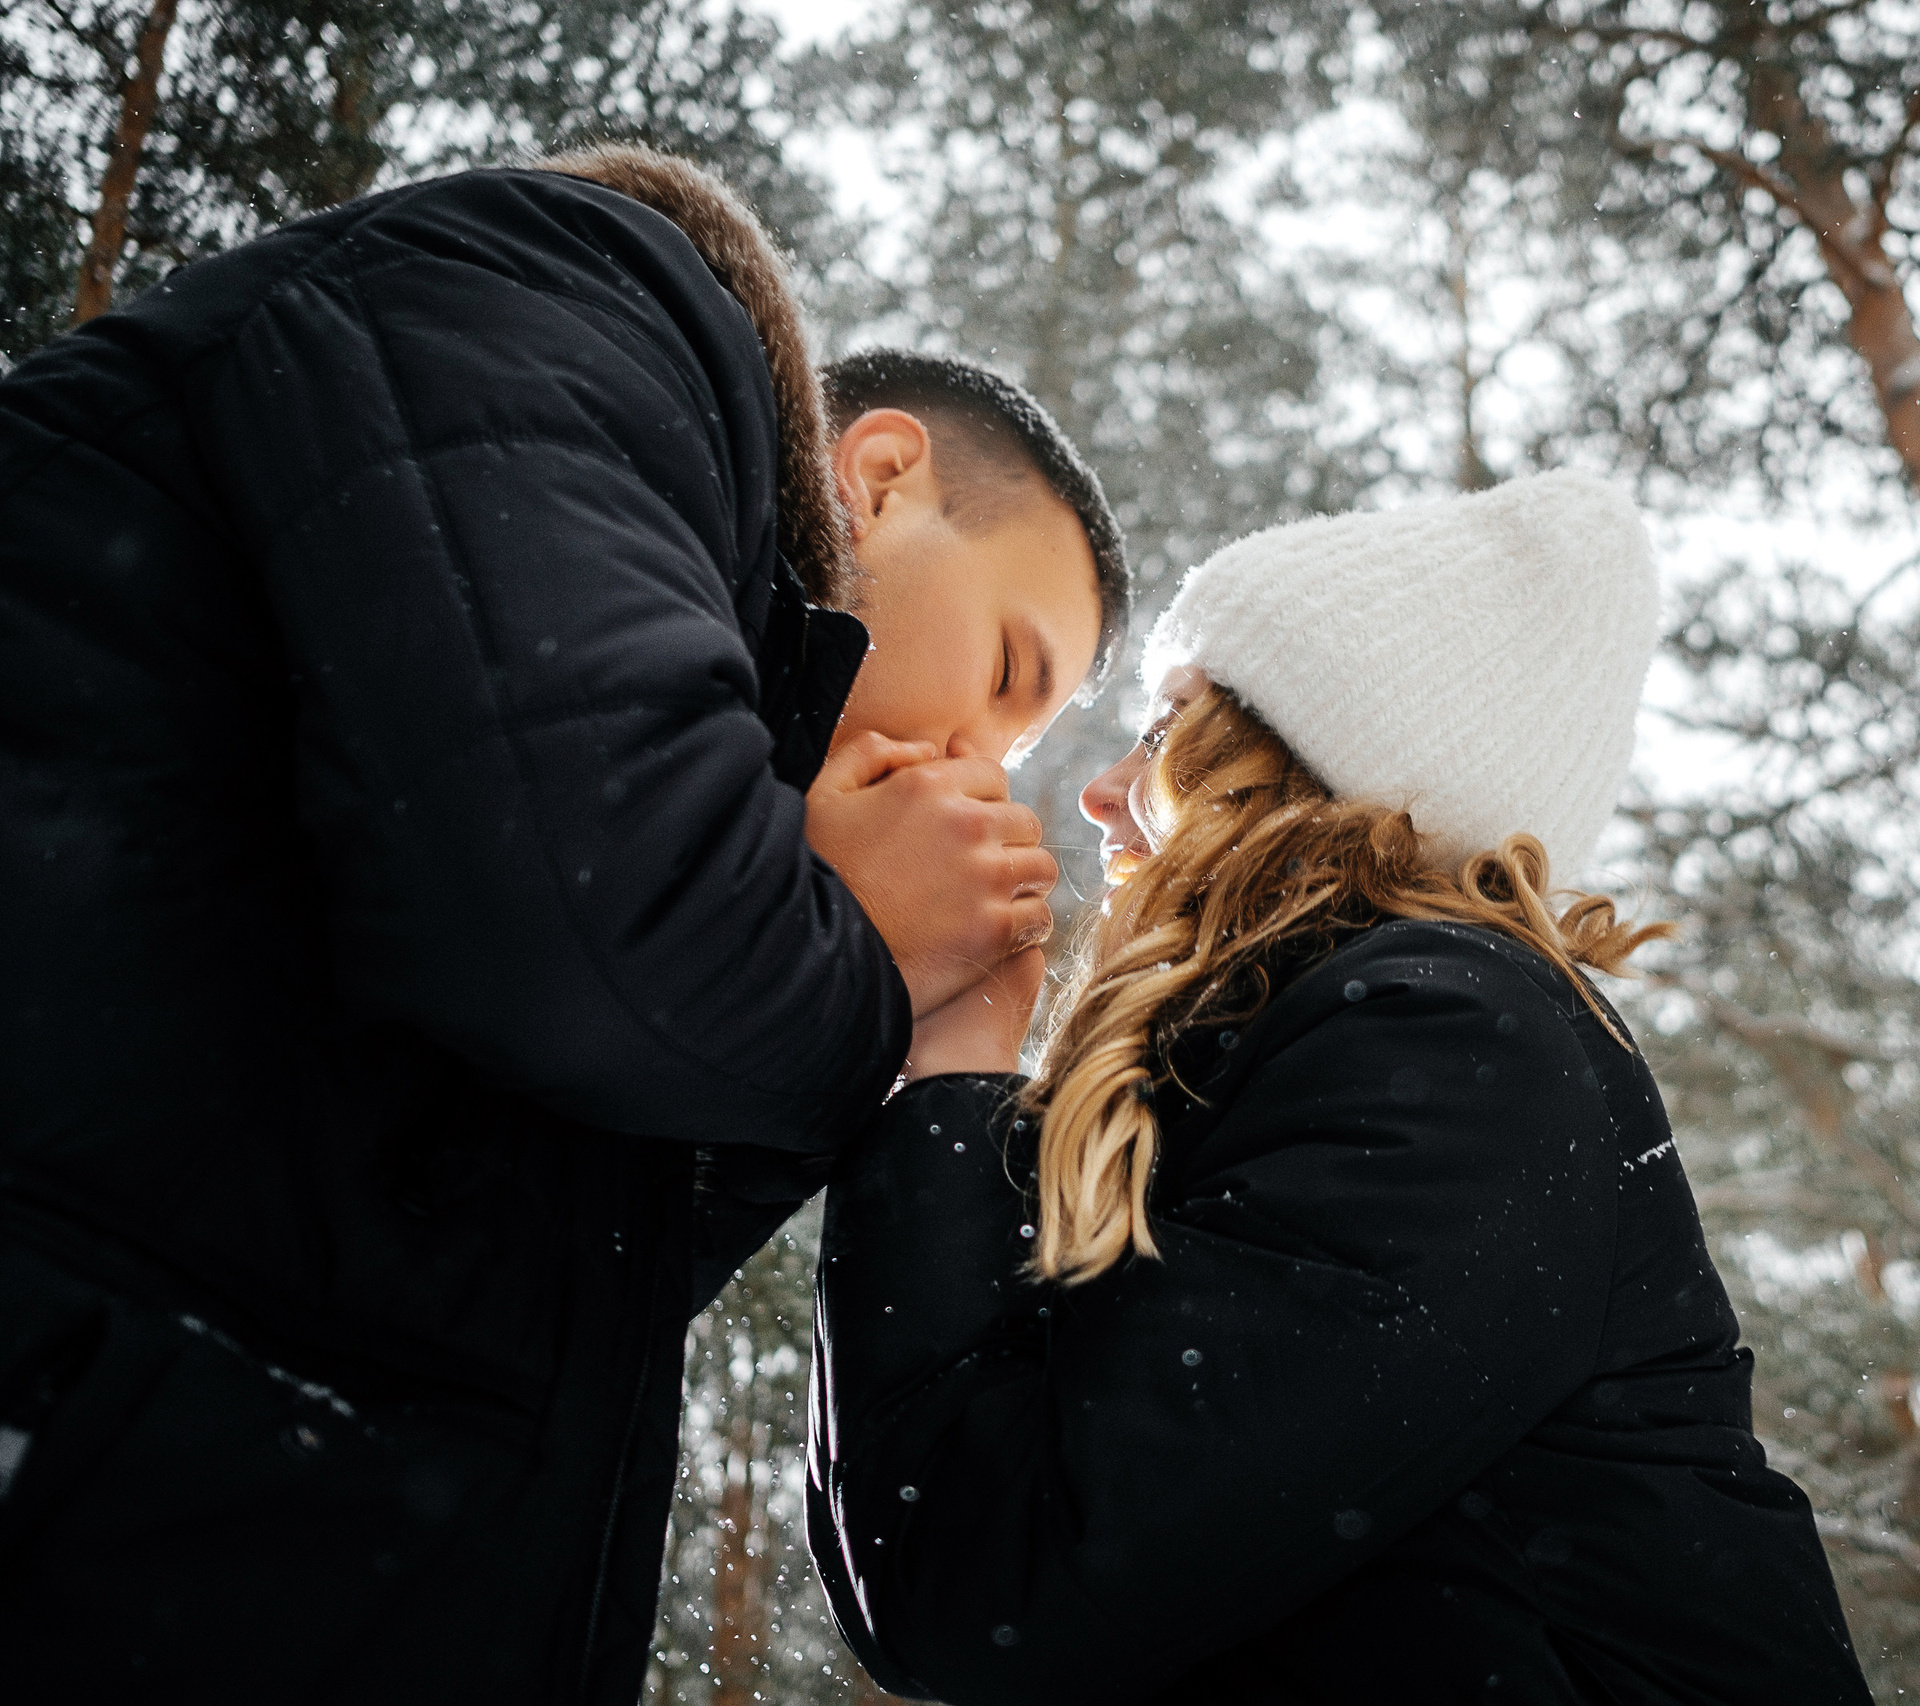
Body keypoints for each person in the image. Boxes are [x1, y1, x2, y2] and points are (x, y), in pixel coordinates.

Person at [0, 145, 1124, 1700]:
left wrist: (905, 1027)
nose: (978, 765)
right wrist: (855, 946)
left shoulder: (716, 806)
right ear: (875, 476)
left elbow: (570, 1265)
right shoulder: (591, 292)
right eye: (1010, 674)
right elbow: (591, 949)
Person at [805, 470, 1875, 1704]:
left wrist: (949, 1077)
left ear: (1293, 776)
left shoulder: (1452, 1045)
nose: (1099, 793)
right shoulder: (1301, 1061)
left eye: (1167, 732)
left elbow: (985, 1582)